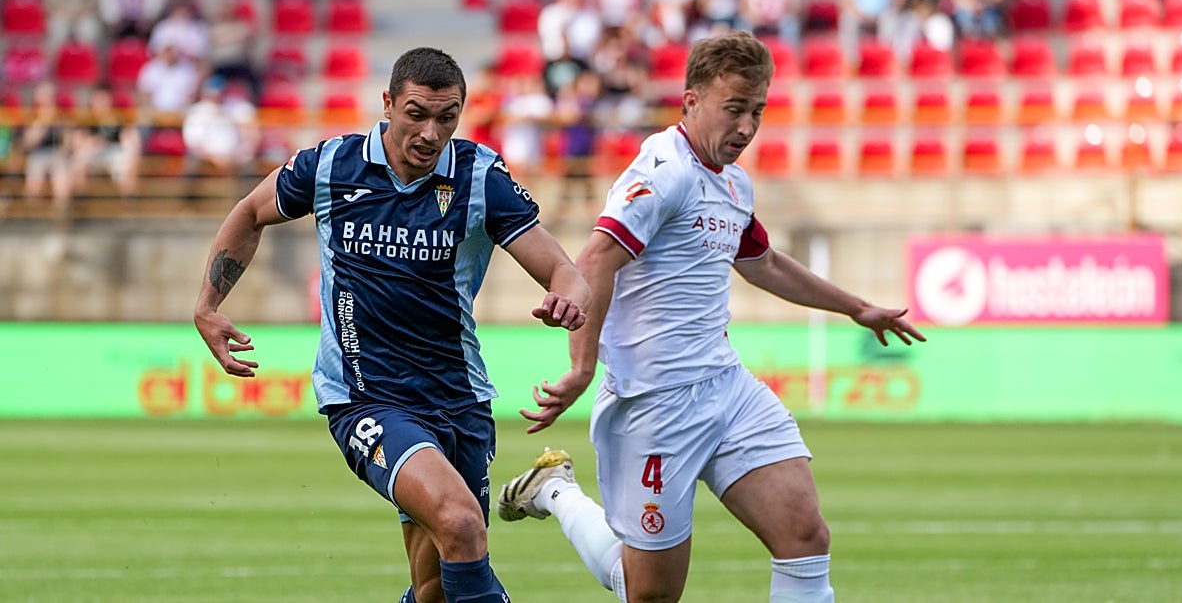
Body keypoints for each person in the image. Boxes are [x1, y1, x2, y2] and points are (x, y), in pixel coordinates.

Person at [498, 30, 926, 603]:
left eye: (757, 111)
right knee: (648, 592)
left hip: (726, 390)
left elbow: (764, 263)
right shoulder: (663, 171)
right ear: (691, 100)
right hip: (654, 404)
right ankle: (555, 490)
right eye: (734, 110)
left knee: (805, 534)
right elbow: (597, 257)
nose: (747, 128)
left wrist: (855, 307)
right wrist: (581, 367)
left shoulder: (733, 184)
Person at [194, 47, 590, 603]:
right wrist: (208, 304)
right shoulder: (331, 166)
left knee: (435, 587)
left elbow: (564, 271)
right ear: (387, 104)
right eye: (416, 114)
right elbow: (249, 212)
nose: (431, 133)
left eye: (447, 118)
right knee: (461, 522)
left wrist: (568, 299)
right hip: (366, 398)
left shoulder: (479, 177)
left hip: (459, 400)